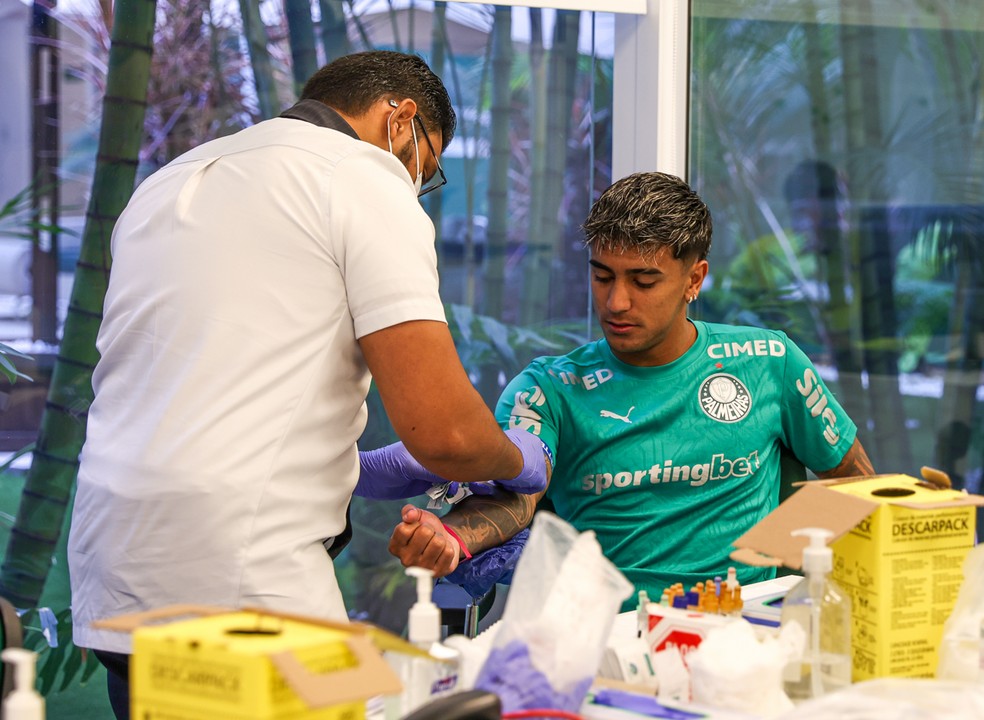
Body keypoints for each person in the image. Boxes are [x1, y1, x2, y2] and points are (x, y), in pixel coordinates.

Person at [67, 50, 547, 720]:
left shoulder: (170, 182)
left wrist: (358, 469)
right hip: (243, 583)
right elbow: (444, 433)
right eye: (427, 165)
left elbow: (210, 394)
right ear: (400, 119)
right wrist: (517, 459)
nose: (416, 184)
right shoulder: (364, 180)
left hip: (116, 570)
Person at [386, 171, 875, 603]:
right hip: (610, 637)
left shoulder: (769, 361)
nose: (616, 302)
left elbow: (857, 484)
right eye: (603, 277)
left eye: (644, 282)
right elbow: (515, 496)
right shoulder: (549, 389)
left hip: (745, 629)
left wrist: (808, 585)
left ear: (694, 280)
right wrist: (451, 536)